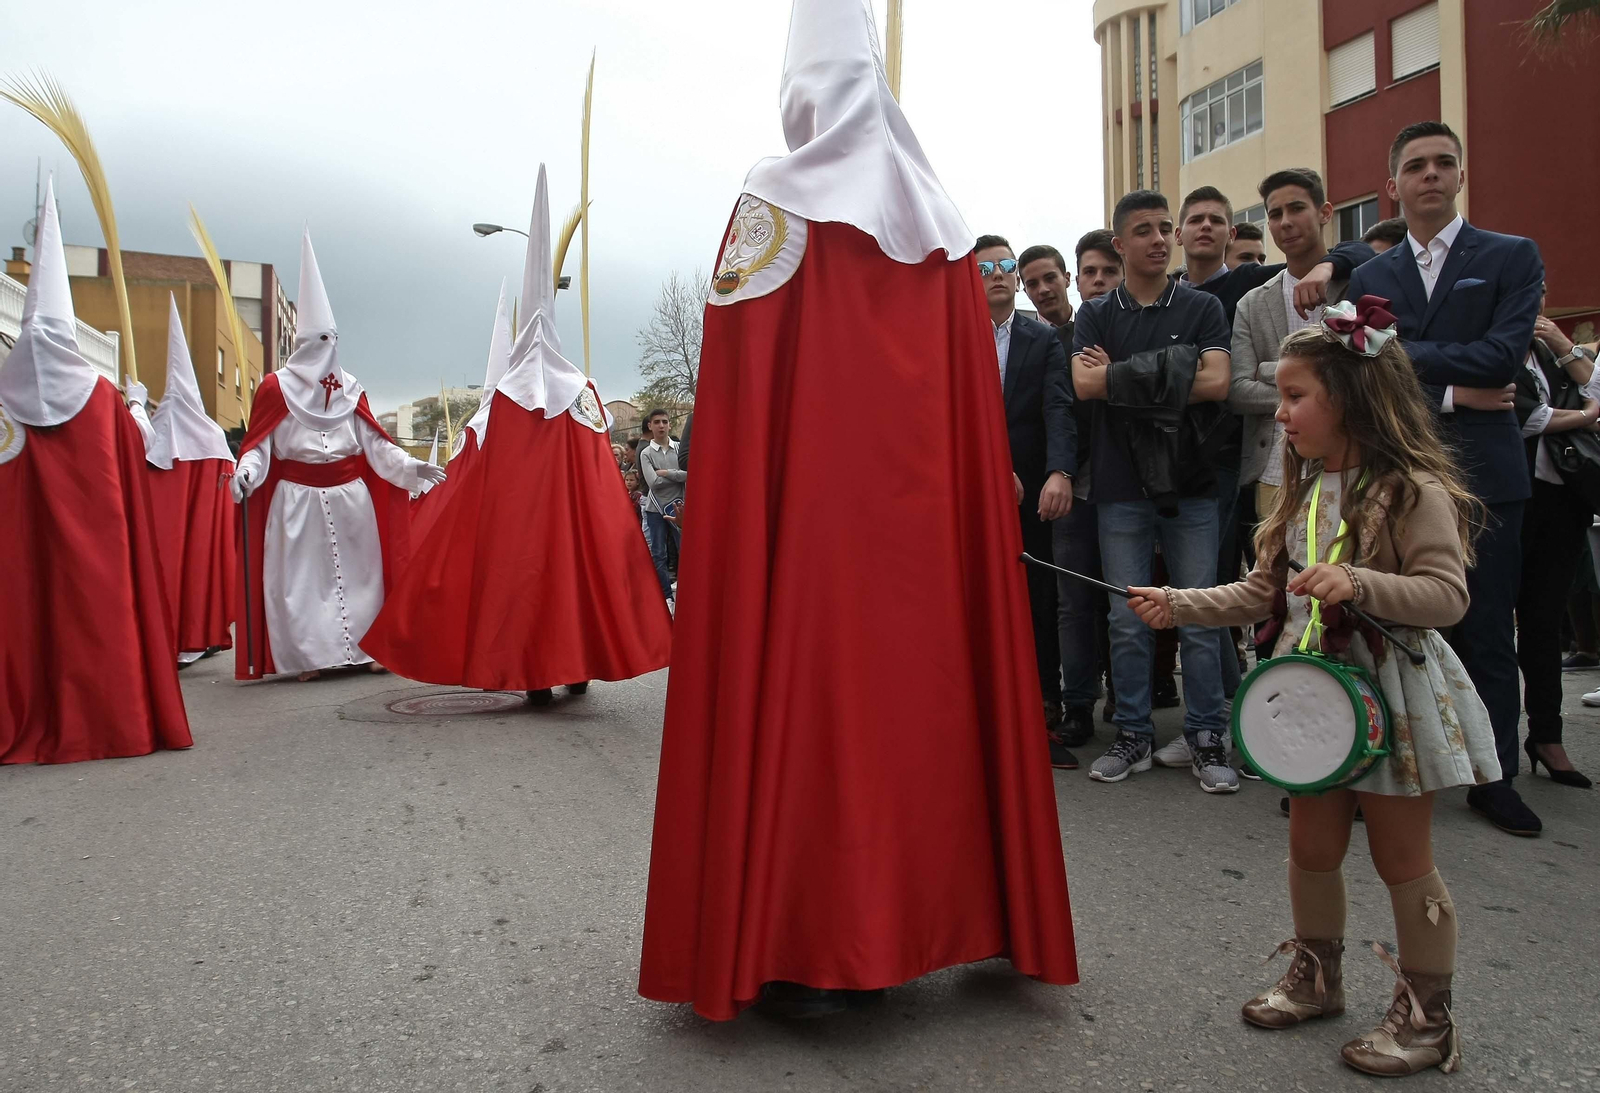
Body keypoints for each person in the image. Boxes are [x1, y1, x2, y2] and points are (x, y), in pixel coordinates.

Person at [639, 0, 1077, 1021]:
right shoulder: (942, 227)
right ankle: (913, 923)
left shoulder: (768, 209)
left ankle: (806, 935)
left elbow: (742, 401)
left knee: (810, 714)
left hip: (807, 540)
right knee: (915, 713)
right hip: (923, 543)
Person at [1127, 308, 1501, 1077]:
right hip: (1313, 707)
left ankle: (1430, 1017)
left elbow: (1446, 595)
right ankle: (1318, 974)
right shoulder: (1296, 493)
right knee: (1311, 846)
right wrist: (1178, 601)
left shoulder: (1411, 488)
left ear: (1355, 398)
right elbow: (1263, 592)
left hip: (1387, 699)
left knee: (1404, 859)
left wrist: (1360, 579)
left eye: (1296, 396)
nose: (1282, 411)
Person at [360, 166, 671, 704]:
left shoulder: (528, 395)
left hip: (542, 525)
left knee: (536, 585)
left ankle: (548, 672)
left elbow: (575, 464)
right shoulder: (568, 392)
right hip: (560, 524)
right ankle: (560, 668)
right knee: (559, 585)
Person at [1346, 121, 1546, 837]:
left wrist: (1409, 355)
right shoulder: (1370, 278)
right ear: (1392, 185)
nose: (1431, 175)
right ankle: (1392, 768)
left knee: (1486, 625)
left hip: (1487, 474)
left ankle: (1494, 778)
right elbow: (1371, 374)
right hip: (1397, 472)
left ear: (1460, 175)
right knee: (1390, 625)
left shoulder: (1510, 256)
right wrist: (1458, 393)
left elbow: (1503, 357)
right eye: (1416, 166)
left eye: (1444, 163)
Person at [0, 177, 192, 763]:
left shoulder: (6, 394)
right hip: (99, 551)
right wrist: (134, 404)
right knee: (97, 619)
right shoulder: (99, 396)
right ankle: (112, 723)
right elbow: (143, 449)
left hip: (23, 553)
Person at [1071, 189, 1237, 792]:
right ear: (1120, 243)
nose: (1160, 238)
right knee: (1126, 619)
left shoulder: (1200, 307)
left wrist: (1119, 374)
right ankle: (1134, 734)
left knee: (1199, 616)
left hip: (1190, 483)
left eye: (1165, 227)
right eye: (1144, 230)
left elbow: (1217, 382)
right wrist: (1173, 369)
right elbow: (1083, 387)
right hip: (1119, 485)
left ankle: (1205, 735)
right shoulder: (1094, 314)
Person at [232, 231, 445, 682]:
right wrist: (247, 471)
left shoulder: (351, 387)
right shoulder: (275, 388)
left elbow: (376, 445)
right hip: (296, 500)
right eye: (320, 338)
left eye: (333, 338)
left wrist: (410, 468)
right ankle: (311, 655)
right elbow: (260, 445)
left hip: (351, 498)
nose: (328, 348)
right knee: (302, 583)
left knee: (362, 577)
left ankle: (365, 649)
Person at [1023, 232, 1121, 744]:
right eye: (1032, 283)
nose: (1043, 289)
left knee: (1123, 598)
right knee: (1072, 601)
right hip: (1066, 483)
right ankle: (1077, 704)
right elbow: (1055, 414)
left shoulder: (1105, 327)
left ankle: (1127, 702)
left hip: (1124, 481)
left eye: (1050, 278)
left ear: (1069, 280)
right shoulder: (1039, 341)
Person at [982, 234, 1076, 767]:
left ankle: (1044, 707)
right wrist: (993, 470)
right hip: (973, 488)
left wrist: (1058, 471)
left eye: (1005, 266)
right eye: (985, 267)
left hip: (1033, 494)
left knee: (1039, 596)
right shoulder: (952, 335)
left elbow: (1058, 410)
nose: (997, 273)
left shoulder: (1040, 340)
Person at [1511, 286, 1596, 788]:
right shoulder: (1492, 345)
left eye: (1538, 293)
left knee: (1544, 623)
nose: (1532, 303)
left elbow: (1599, 388)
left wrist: (1567, 347)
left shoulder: (1551, 350)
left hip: (1564, 502)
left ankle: (1547, 735)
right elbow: (1523, 417)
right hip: (1509, 500)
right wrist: (1586, 416)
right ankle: (1487, 742)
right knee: (1489, 622)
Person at [142, 293, 239, 665]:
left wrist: (137, 407)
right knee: (195, 571)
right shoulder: (213, 437)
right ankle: (195, 633)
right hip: (194, 533)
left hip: (166, 531)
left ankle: (177, 637)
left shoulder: (155, 430)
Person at [637, 407, 684, 603]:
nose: (661, 426)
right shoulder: (646, 453)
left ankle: (685, 591)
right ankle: (666, 597)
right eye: (656, 422)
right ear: (650, 426)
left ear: (669, 424)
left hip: (680, 507)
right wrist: (677, 475)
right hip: (655, 509)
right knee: (658, 553)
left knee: (685, 550)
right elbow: (652, 483)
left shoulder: (680, 448)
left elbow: (693, 474)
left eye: (664, 422)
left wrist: (666, 473)